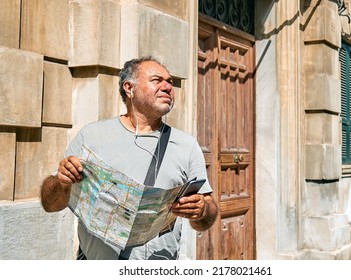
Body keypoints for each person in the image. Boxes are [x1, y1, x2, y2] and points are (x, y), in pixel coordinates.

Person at [40, 56, 218, 260]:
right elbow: (50, 204)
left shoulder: (187, 146)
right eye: (156, 80)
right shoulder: (91, 136)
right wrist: (61, 183)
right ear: (129, 88)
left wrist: (202, 210)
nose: (167, 87)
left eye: (170, 82)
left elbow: (206, 218)